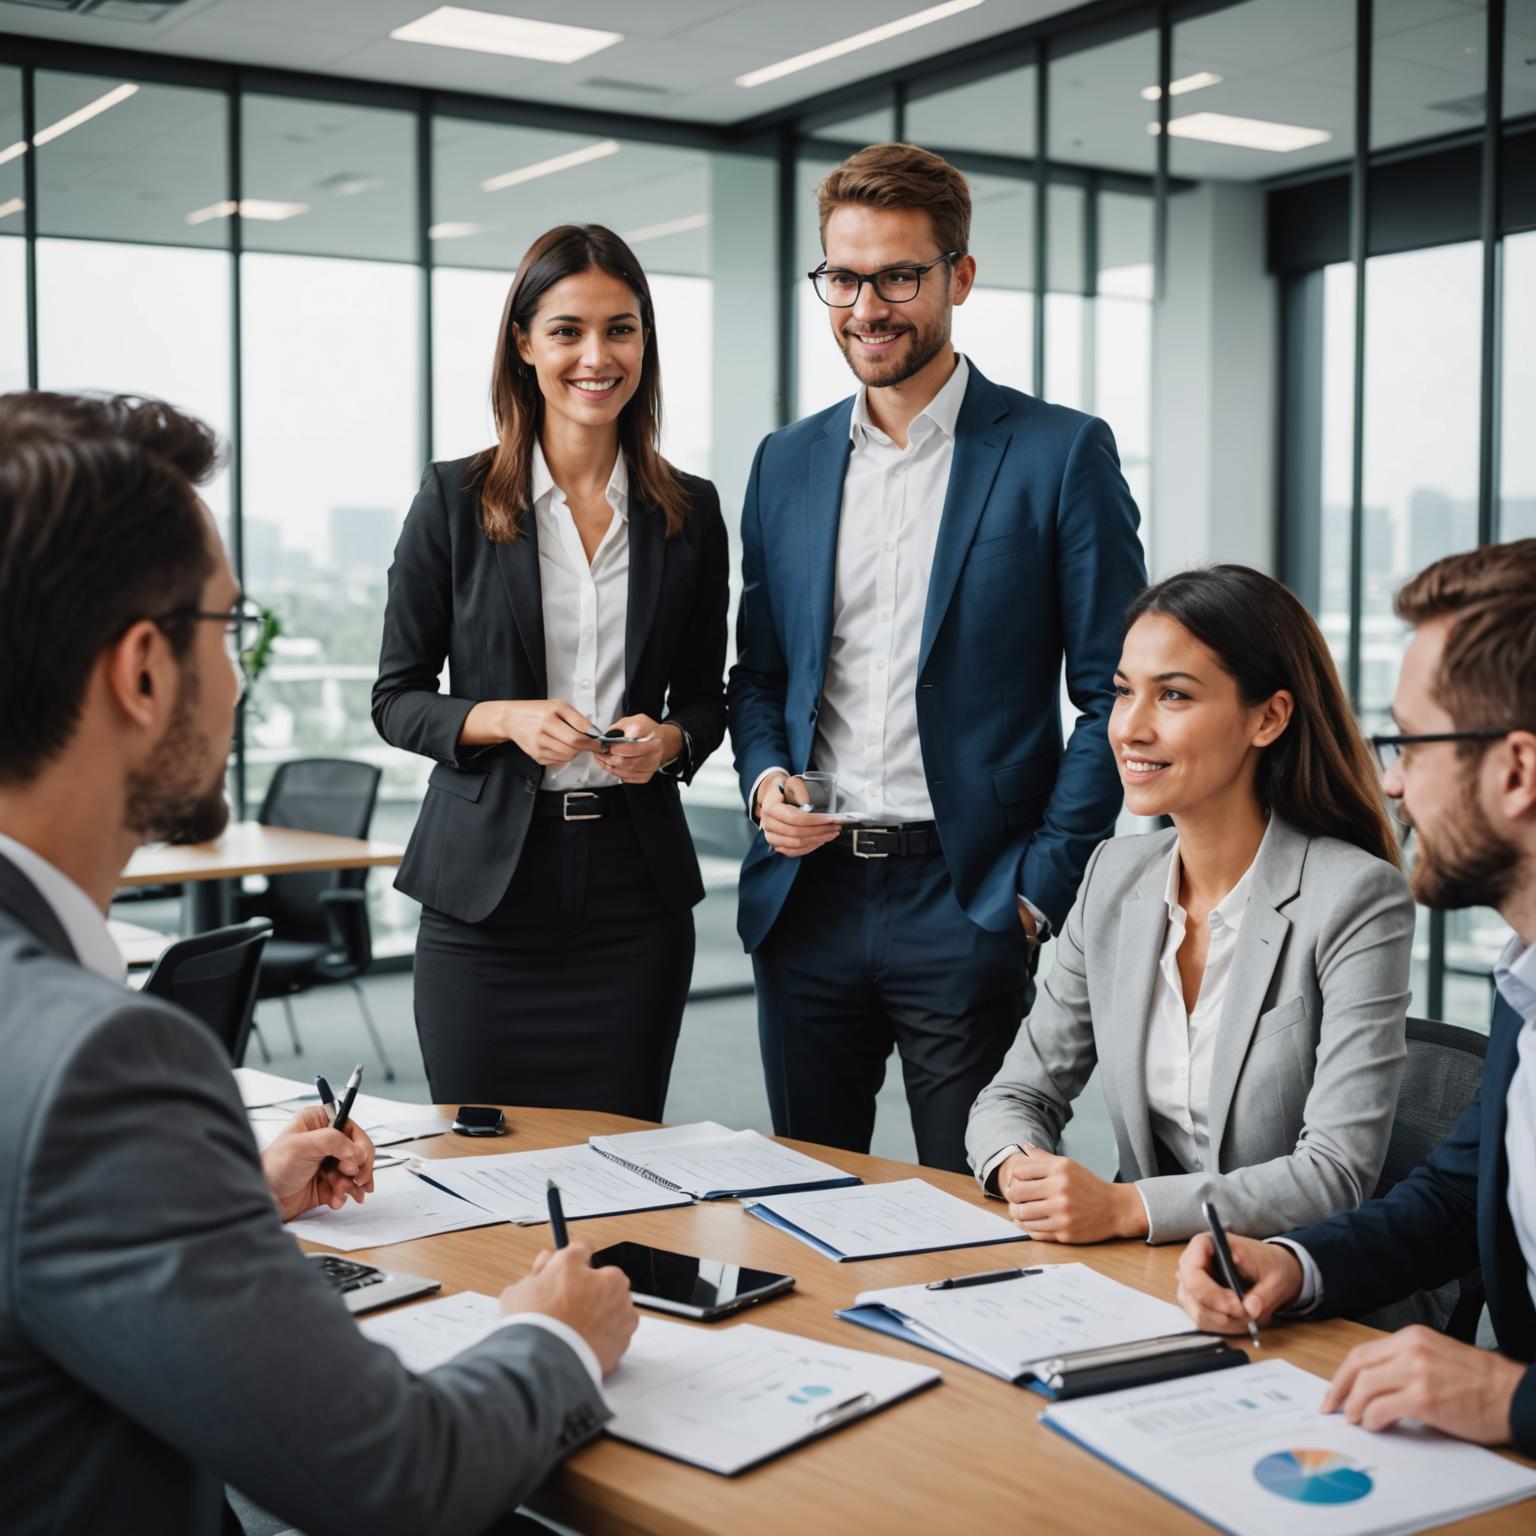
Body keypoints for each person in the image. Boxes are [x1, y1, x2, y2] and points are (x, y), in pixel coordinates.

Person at [0, 390, 636, 1536]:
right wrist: (555, 1335)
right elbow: (400, 1479)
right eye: (230, 631)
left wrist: (222, 1192)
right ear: (144, 672)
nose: (243, 682)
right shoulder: (101, 1060)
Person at [727, 143, 1147, 1174]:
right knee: (806, 1196)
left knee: (969, 1214)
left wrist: (1038, 885)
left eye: (898, 276)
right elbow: (761, 676)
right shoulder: (785, 461)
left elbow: (1113, 695)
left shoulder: (1058, 453)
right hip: (807, 895)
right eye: (843, 277)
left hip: (968, 900)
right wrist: (765, 778)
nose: (866, 307)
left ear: (959, 276)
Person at [1176, 540, 1536, 1457]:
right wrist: (1295, 1264)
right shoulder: (1524, 977)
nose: (1392, 780)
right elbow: (1460, 1198)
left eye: (1411, 742)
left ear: (1517, 771)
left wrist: (1515, 1400)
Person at [373, 225, 728, 1120]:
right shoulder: (454, 500)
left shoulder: (688, 512)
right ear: (524, 344)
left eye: (622, 328)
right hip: (485, 896)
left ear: (645, 343)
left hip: (632, 898)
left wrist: (672, 738)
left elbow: (705, 696)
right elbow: (396, 698)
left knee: (626, 1167)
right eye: (568, 330)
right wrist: (504, 719)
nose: (596, 356)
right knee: (478, 1162)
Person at [967, 566, 1415, 1244]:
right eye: (1123, 693)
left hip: (1296, 1295)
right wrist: (1023, 1172)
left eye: (1172, 696)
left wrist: (1127, 1208)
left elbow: (1334, 1172)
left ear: (1269, 717)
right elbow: (1016, 1094)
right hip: (1139, 1276)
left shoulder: (1354, 897)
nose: (1130, 729)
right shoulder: (1114, 876)